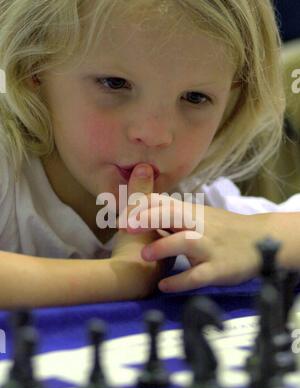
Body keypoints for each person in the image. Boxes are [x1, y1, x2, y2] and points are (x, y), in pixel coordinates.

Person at [0, 0, 296, 307]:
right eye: (115, 84)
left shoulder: (187, 200)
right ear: (34, 67)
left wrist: (258, 234)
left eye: (195, 98)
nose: (155, 135)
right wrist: (120, 277)